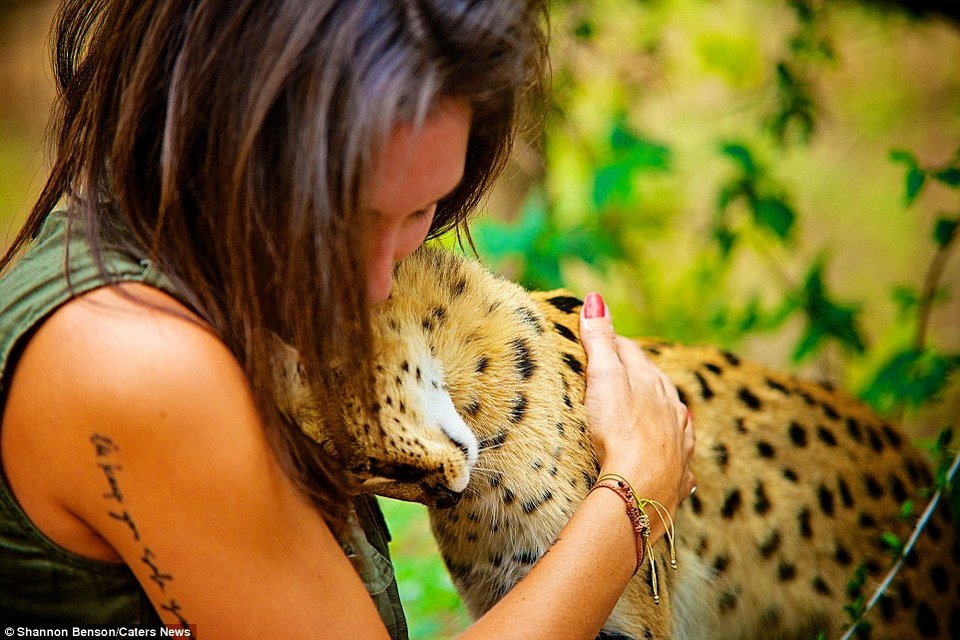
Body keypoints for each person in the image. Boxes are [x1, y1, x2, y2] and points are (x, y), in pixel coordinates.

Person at [0, 1, 696, 637]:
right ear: (234, 133)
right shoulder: (136, 359)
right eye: (344, 219)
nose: (378, 280)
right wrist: (635, 492)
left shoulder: (153, 249)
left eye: (422, 211)